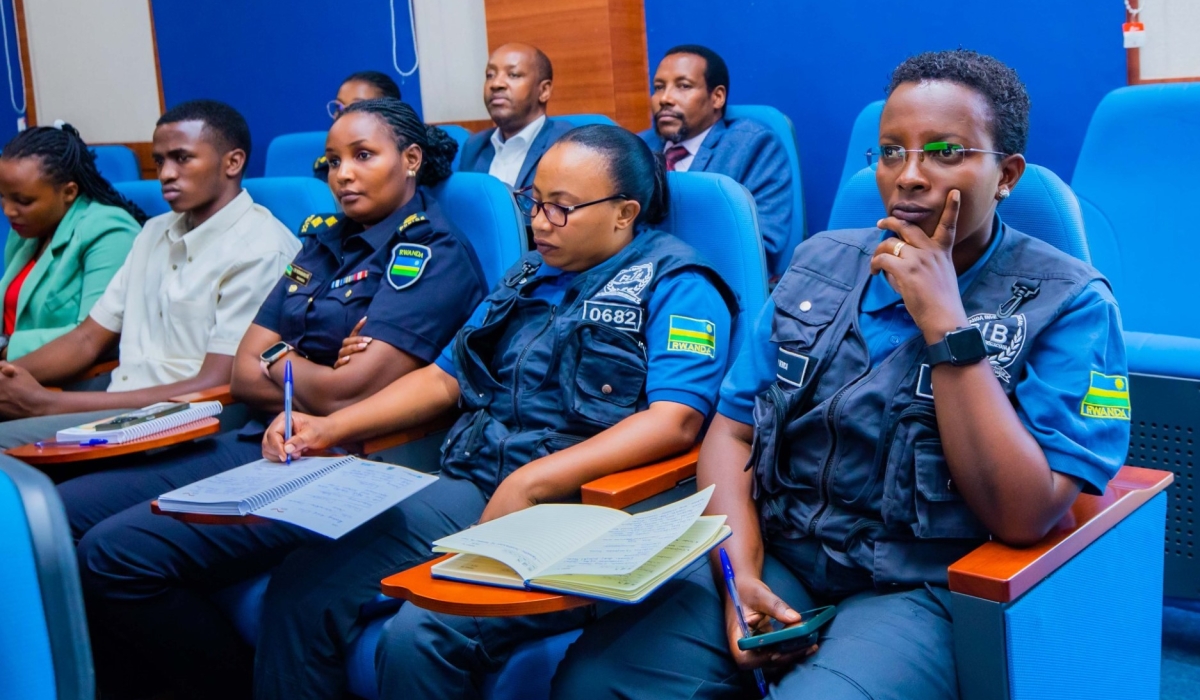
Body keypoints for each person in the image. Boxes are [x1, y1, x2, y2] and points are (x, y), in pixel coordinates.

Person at [549, 50, 1131, 700]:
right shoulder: (818, 264)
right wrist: (739, 571)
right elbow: (732, 432)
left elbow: (1025, 515)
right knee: (593, 683)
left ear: (1006, 176)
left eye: (944, 152)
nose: (907, 176)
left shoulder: (1069, 302)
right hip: (782, 551)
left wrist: (946, 325)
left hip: (921, 582)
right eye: (889, 152)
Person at [239, 124, 738, 699]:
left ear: (624, 212)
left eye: (562, 208)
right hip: (479, 480)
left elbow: (675, 419)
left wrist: (533, 482)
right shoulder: (529, 274)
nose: (539, 222)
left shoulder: (679, 283)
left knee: (420, 634)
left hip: (587, 506)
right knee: (304, 586)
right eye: (534, 202)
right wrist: (328, 426)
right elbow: (445, 378)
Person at [71, 98, 488, 700]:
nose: (342, 174)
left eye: (364, 156)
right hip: (260, 435)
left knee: (113, 554)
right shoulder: (321, 242)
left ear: (411, 159)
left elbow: (349, 392)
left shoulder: (431, 253)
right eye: (333, 161)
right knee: (66, 515)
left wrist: (279, 359)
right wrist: (288, 363)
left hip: (341, 458)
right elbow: (243, 370)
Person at [0, 100, 301, 449]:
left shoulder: (261, 248)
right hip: (126, 400)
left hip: (189, 418)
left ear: (232, 162)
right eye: (159, 160)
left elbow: (217, 383)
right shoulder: (153, 232)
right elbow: (87, 339)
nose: (165, 173)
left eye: (182, 158)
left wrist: (48, 405)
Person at [640, 44, 793, 274]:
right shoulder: (638, 147)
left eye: (683, 86)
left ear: (717, 97)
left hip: (712, 284)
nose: (665, 98)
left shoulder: (751, 145)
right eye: (659, 87)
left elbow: (762, 245)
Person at [0, 122, 143, 360]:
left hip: (74, 379)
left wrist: (6, 348)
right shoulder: (26, 228)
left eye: (23, 201)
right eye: (2, 197)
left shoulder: (110, 231)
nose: (8, 211)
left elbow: (94, 335)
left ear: (69, 192)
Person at [458, 43, 575, 190]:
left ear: (544, 91)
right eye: (490, 75)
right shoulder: (474, 146)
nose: (496, 84)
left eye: (513, 75)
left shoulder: (567, 146)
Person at [314, 70, 403, 178]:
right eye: (338, 107)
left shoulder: (413, 167)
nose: (343, 115)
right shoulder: (325, 170)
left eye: (356, 107)